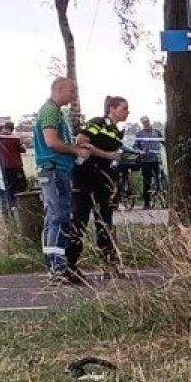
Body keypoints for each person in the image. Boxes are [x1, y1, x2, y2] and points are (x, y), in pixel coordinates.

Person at [32, 77, 84, 281]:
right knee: (60, 216)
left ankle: (52, 263)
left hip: (55, 168)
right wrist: (75, 150)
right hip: (54, 168)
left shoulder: (55, 112)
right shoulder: (51, 111)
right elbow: (52, 141)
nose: (74, 95)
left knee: (53, 216)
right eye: (72, 90)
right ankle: (58, 267)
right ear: (59, 89)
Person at [70, 96, 130, 274]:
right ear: (112, 108)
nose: (127, 112)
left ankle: (109, 263)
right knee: (79, 219)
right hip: (86, 177)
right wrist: (107, 155)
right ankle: (70, 264)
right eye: (124, 108)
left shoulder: (117, 132)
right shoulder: (97, 123)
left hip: (104, 180)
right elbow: (81, 142)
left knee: (105, 221)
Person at [0, 121, 26, 215]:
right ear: (12, 128)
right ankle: (17, 208)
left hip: (2, 167)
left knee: (5, 188)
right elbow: (22, 150)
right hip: (16, 166)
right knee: (18, 187)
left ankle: (6, 208)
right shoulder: (15, 138)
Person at [132, 116, 165, 208]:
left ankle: (163, 198)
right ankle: (147, 203)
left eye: (147, 122)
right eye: (144, 122)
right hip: (146, 160)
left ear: (150, 121)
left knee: (160, 178)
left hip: (157, 159)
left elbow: (163, 142)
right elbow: (135, 146)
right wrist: (140, 151)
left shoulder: (156, 132)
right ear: (142, 124)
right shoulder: (139, 134)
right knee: (146, 181)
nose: (146, 124)